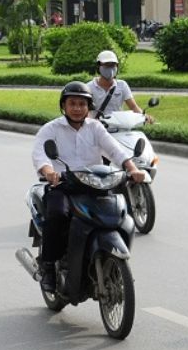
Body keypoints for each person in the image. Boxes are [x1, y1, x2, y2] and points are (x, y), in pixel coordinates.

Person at [32, 81, 145, 292]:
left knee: (122, 215)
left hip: (96, 184)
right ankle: (48, 265)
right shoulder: (51, 129)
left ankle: (110, 261)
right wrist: (49, 173)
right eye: (72, 103)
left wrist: (132, 168)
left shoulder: (95, 127)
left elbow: (115, 151)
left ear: (89, 107)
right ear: (63, 106)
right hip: (63, 186)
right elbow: (40, 155)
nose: (77, 108)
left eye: (82, 104)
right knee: (57, 214)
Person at [87, 50, 153, 123]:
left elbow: (133, 107)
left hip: (118, 128)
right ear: (98, 66)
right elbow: (85, 111)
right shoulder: (89, 87)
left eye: (113, 65)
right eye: (107, 65)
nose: (110, 68)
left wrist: (144, 117)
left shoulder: (122, 85)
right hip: (97, 129)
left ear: (117, 67)